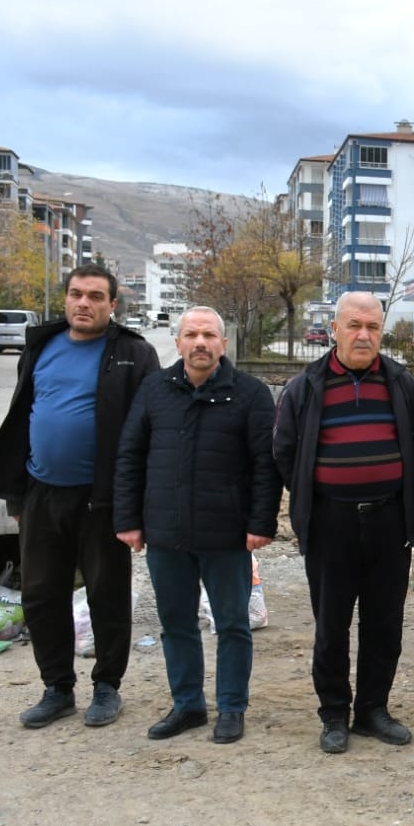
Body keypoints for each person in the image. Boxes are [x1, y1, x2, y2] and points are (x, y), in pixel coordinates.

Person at [0, 265, 159, 729]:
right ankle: (57, 687)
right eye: (77, 294)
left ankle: (107, 687)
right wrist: (17, 495)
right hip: (41, 493)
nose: (84, 303)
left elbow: (149, 432)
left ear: (112, 305)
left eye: (96, 296)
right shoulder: (42, 347)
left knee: (107, 593)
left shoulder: (134, 353)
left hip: (103, 500)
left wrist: (136, 505)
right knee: (41, 595)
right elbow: (23, 417)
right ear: (66, 299)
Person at [113, 307, 281, 743]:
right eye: (192, 334)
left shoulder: (250, 393)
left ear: (224, 344)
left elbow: (266, 465)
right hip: (165, 533)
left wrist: (261, 522)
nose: (201, 342)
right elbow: (130, 456)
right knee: (176, 624)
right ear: (179, 342)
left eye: (210, 335)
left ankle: (231, 707)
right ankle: (187, 705)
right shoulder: (154, 389)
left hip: (227, 534)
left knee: (232, 625)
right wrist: (128, 520)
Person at [274, 291, 414, 754]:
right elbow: (284, 452)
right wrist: (316, 493)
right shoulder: (307, 386)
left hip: (389, 521)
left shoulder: (400, 383)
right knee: (331, 625)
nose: (363, 335)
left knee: (384, 624)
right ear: (333, 329)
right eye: (354, 325)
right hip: (330, 523)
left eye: (372, 327)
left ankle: (373, 709)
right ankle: (334, 713)